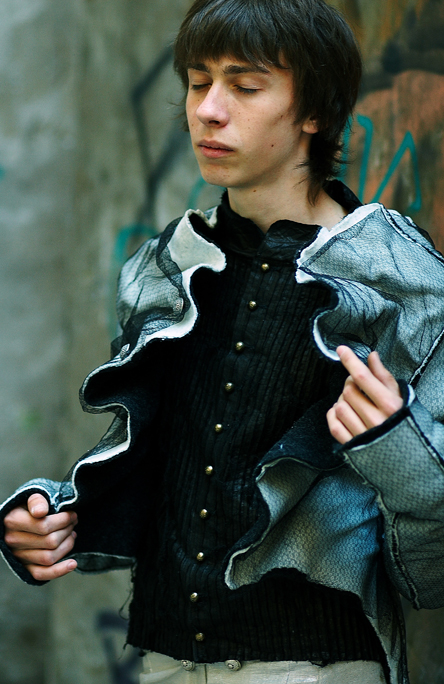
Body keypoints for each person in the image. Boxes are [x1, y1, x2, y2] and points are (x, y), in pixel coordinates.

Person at [2, 1, 444, 683]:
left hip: (311, 665)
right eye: (197, 82)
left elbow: (432, 567)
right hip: (163, 660)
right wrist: (54, 519)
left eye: (244, 86)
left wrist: (393, 445)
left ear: (315, 111)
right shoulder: (167, 266)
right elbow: (167, 472)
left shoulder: (397, 278)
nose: (207, 110)